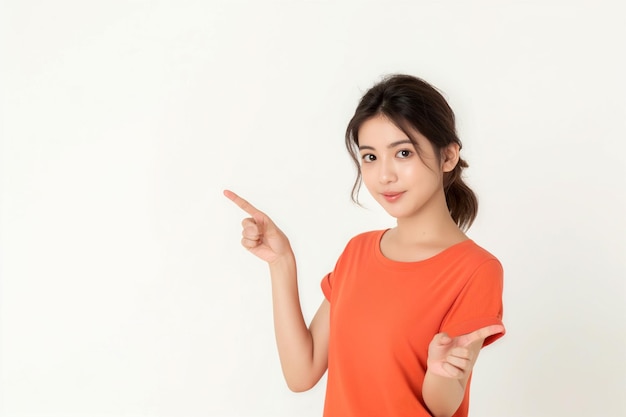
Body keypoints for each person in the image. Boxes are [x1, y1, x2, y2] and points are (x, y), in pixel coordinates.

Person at [224, 74, 505, 417]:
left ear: (447, 157)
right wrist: (281, 263)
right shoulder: (358, 251)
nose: (384, 175)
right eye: (370, 157)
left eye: (403, 153)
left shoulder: (475, 269)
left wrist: (441, 371)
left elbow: (442, 407)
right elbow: (302, 373)